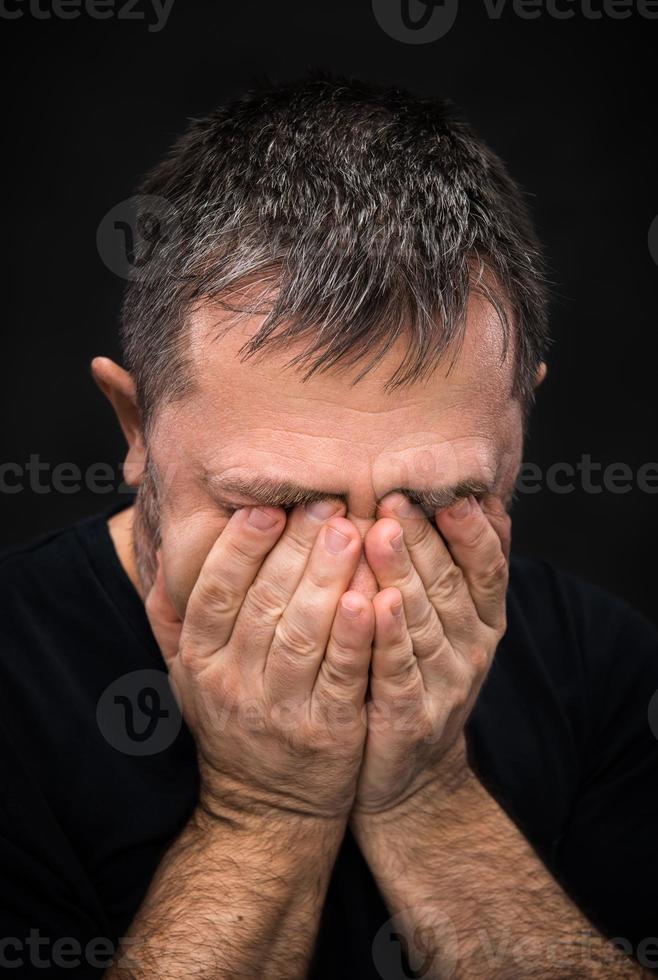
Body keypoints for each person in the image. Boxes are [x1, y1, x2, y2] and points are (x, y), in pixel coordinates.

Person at [2, 75, 656, 979]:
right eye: (271, 507)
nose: (355, 589)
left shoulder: (613, 673)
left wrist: (430, 796)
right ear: (135, 427)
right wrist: (264, 809)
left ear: (519, 430)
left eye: (432, 506)